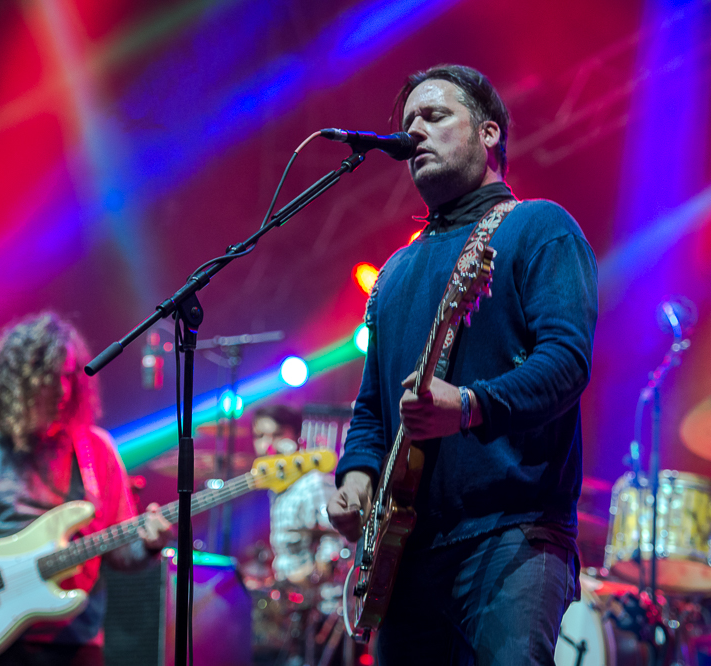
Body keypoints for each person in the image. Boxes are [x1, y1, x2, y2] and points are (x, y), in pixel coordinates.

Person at [327, 64, 598, 665]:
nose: (414, 131)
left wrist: (470, 406)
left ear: (489, 133)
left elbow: (566, 362)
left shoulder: (539, 228)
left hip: (514, 534)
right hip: (406, 550)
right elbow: (373, 407)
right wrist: (355, 478)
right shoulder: (394, 273)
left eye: (434, 115)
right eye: (406, 124)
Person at [0, 312, 174, 666]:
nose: (64, 390)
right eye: (50, 379)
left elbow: (120, 555)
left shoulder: (97, 450)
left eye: (69, 377)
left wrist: (147, 545)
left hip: (73, 644)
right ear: (18, 385)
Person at [252, 404, 343, 587]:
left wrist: (299, 581)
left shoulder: (314, 483)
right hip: (289, 599)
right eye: (259, 436)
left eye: (276, 435)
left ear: (295, 437)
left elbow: (336, 547)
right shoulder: (276, 489)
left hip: (318, 604)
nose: (266, 445)